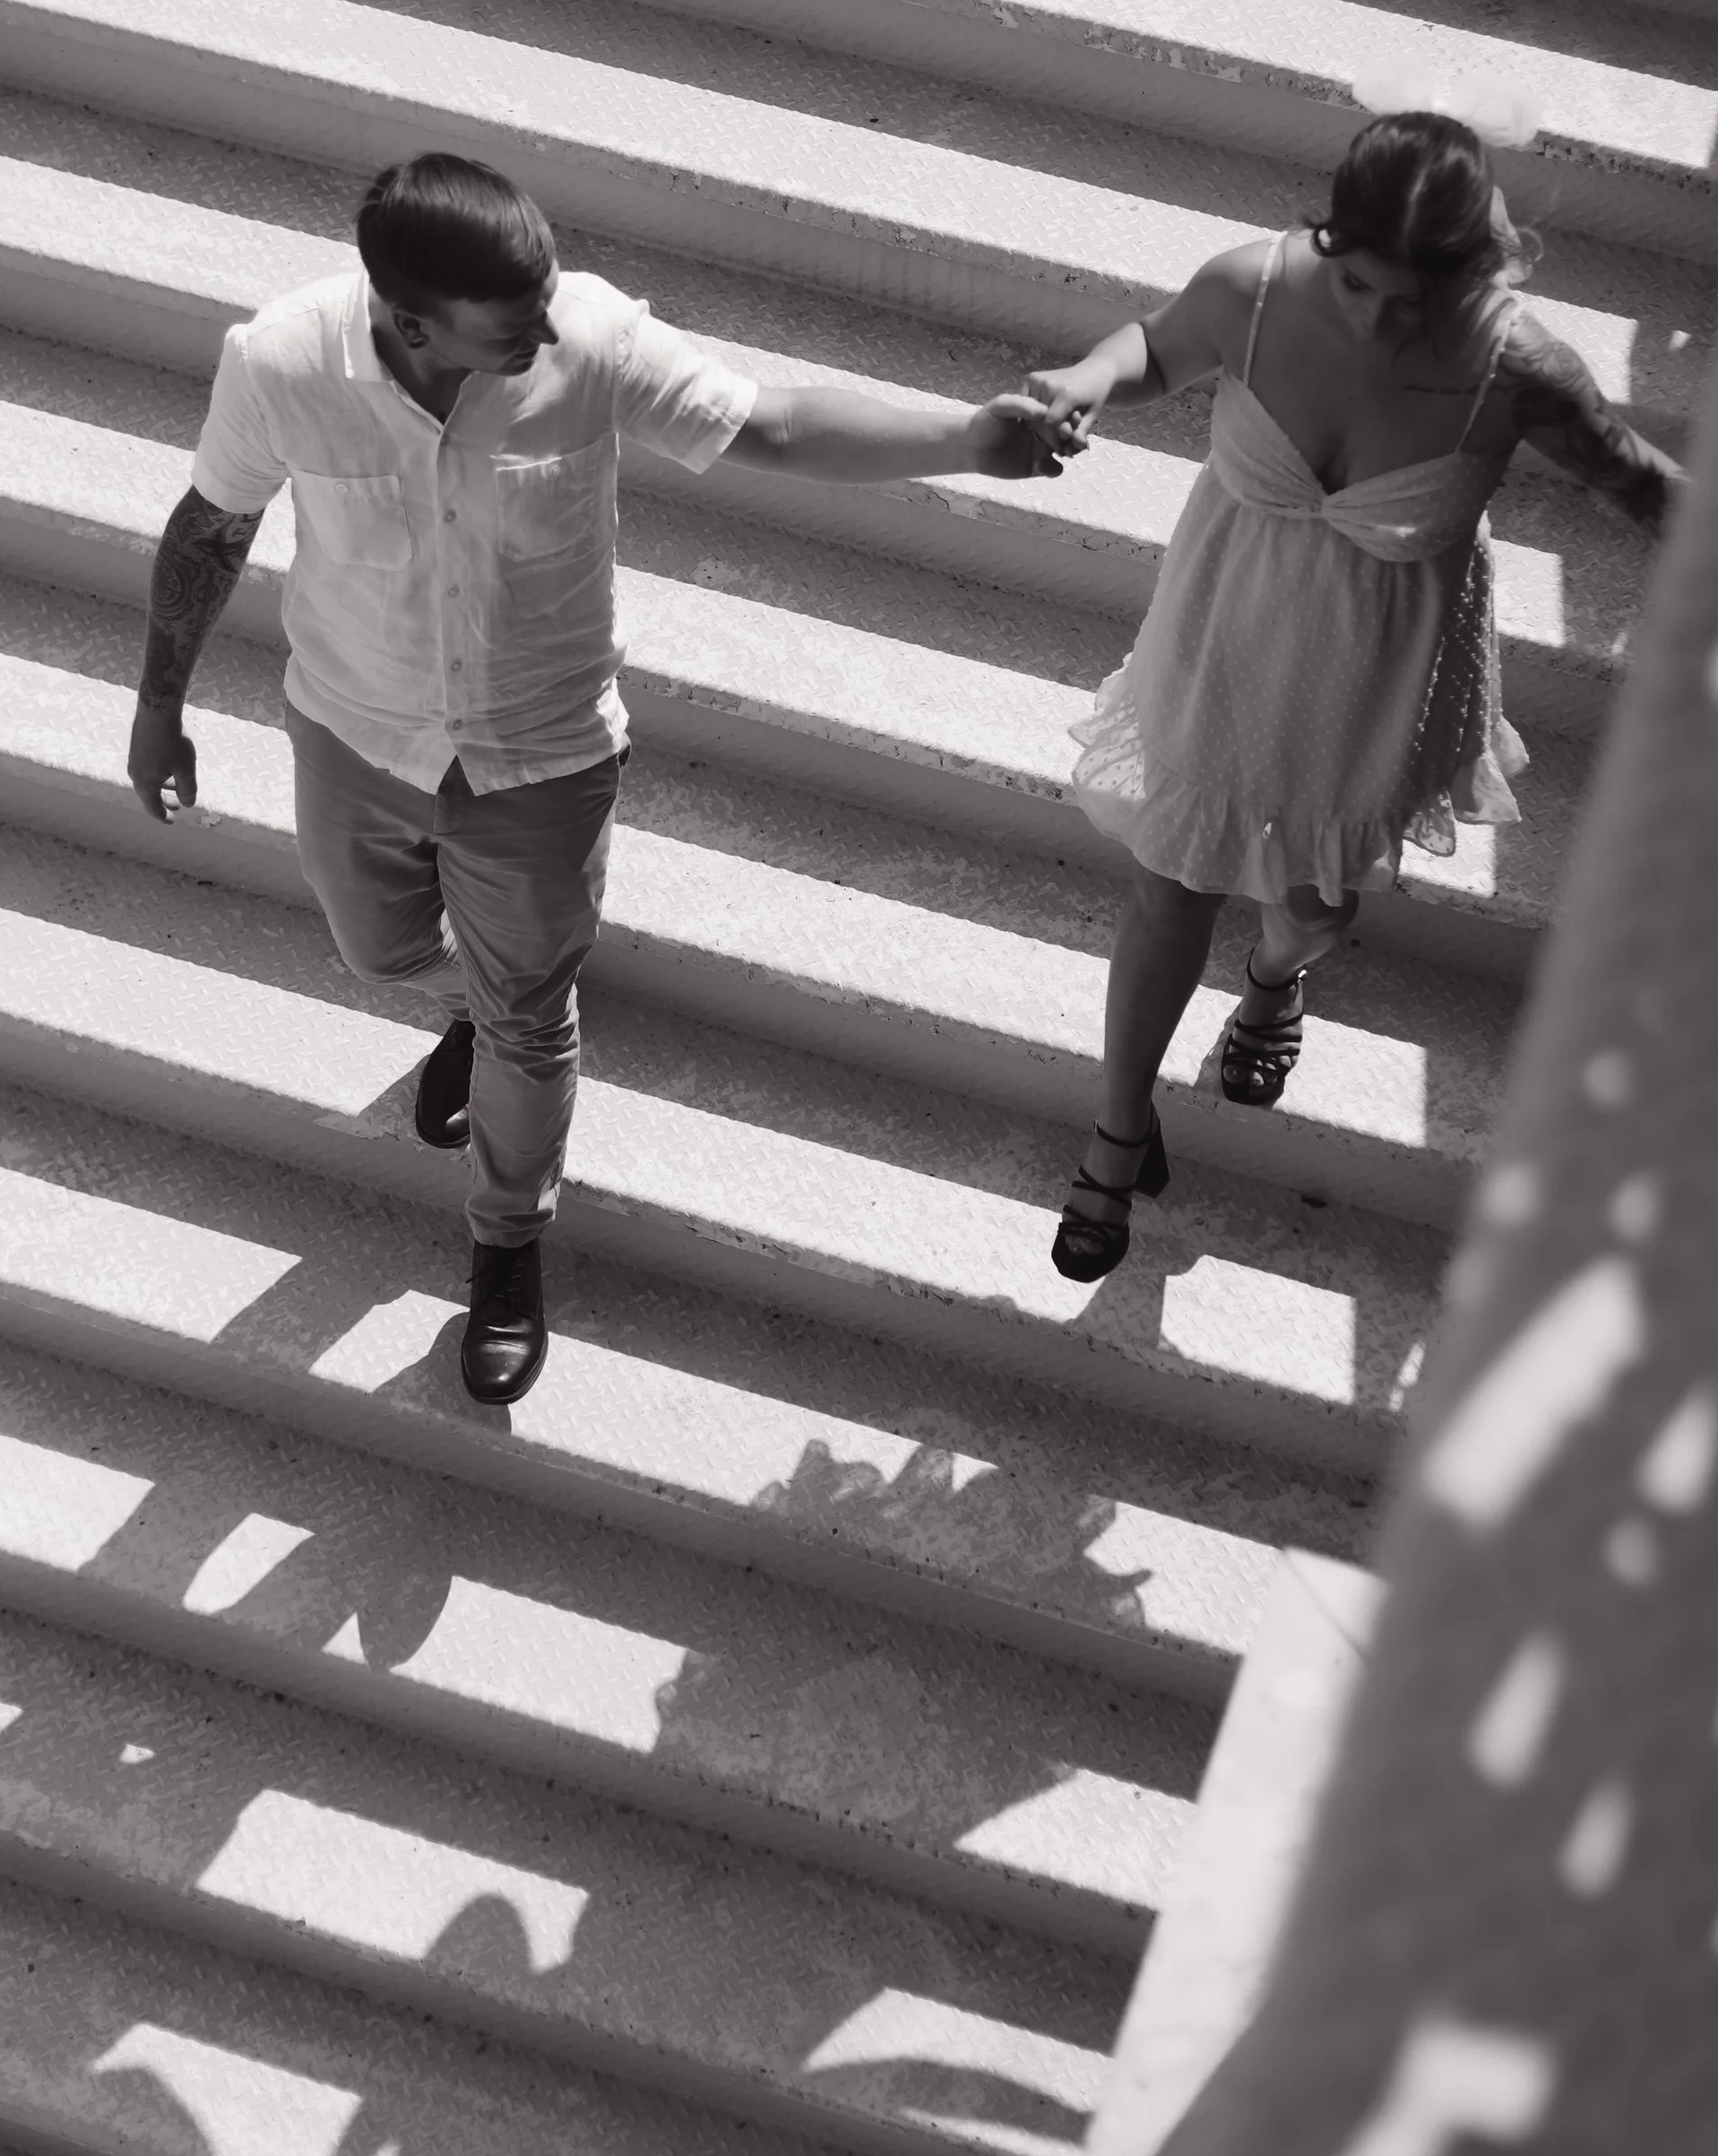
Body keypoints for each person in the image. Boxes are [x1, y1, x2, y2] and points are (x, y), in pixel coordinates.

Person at [125, 151, 1072, 1403]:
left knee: (532, 1013)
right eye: (507, 325)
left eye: (544, 302)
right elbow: (213, 529)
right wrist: (159, 705)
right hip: (356, 736)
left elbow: (771, 423)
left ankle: (508, 1236)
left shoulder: (592, 333)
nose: (543, 331)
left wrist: (967, 436)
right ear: (410, 321)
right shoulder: (283, 361)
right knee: (375, 952)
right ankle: (481, 1008)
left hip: (542, 756)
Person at [1020, 109, 1683, 1282]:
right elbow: (1154, 348)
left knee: (1315, 903)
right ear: (1333, 236)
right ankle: (1116, 1131)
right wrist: (1085, 377)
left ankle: (1277, 984)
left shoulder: (1519, 366)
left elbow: (1639, 484)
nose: (1382, 319)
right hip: (1222, 633)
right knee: (1167, 887)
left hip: (1371, 678)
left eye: (1413, 300)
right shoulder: (1257, 289)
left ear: (1477, 268)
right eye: (1364, 285)